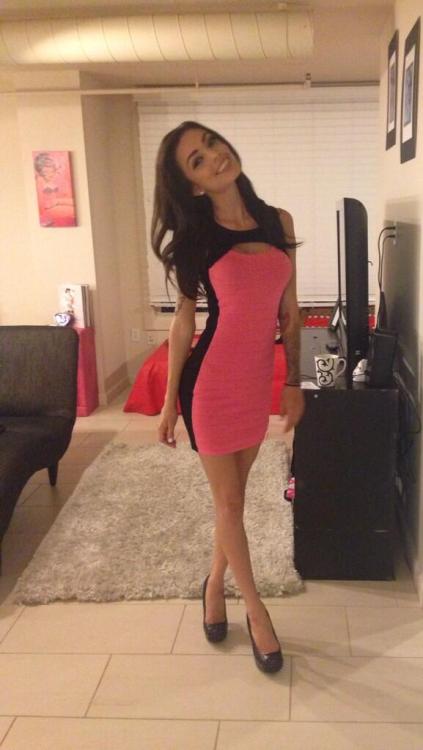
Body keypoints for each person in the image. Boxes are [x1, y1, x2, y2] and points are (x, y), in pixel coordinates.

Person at [154, 120, 305, 673]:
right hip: (210, 385)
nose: (214, 157)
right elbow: (183, 324)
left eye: (212, 143)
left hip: (256, 381)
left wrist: (293, 382)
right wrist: (169, 402)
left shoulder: (278, 221)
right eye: (197, 160)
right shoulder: (195, 238)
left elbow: (290, 312)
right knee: (231, 504)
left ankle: (214, 582)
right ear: (192, 184)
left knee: (233, 499)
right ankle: (256, 611)